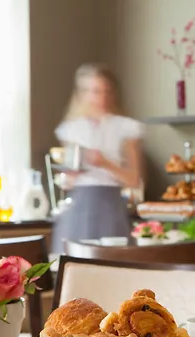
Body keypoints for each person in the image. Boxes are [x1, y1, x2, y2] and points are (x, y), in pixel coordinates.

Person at [51, 63, 144, 253]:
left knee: (111, 261)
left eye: (104, 91)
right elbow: (68, 180)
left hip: (110, 208)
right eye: (92, 91)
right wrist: (70, 177)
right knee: (73, 261)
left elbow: (134, 180)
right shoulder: (71, 129)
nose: (99, 97)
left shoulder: (126, 128)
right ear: (81, 94)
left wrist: (105, 163)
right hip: (78, 209)